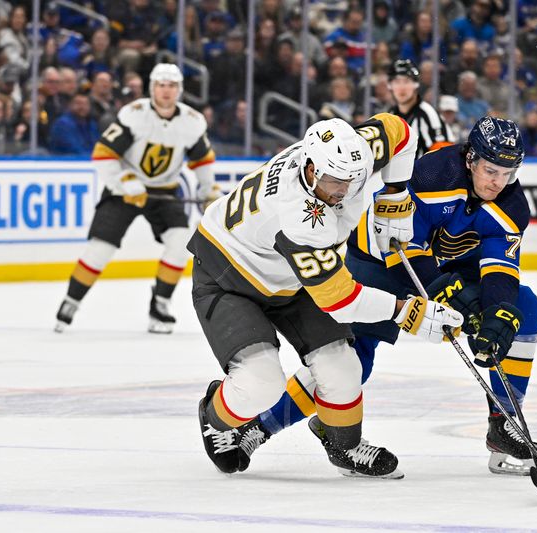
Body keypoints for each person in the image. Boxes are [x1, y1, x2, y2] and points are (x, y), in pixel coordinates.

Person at [250, 116, 537, 477]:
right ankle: (259, 427)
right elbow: (403, 245)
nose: (498, 182)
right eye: (490, 170)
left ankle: (504, 423)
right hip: (381, 258)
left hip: (447, 264)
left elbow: (500, 265)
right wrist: (447, 294)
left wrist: (498, 311)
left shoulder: (512, 204)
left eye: (507, 173)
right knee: (353, 358)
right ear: (470, 158)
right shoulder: (433, 175)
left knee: (522, 309)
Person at [188, 114, 463, 479]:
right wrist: (406, 312)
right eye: (335, 182)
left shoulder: (353, 155)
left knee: (343, 367)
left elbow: (400, 132)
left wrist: (394, 197)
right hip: (228, 275)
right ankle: (213, 415)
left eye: (351, 180)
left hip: (290, 276)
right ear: (311, 168)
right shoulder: (298, 218)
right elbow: (341, 299)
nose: (344, 191)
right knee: (260, 382)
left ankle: (344, 446)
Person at [54, 63, 220, 334]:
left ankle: (161, 304)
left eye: (172, 86)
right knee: (101, 249)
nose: (166, 91)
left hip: (165, 192)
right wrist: (125, 182)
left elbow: (202, 161)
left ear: (179, 90)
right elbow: (103, 154)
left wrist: (208, 191)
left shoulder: (192, 122)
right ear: (152, 87)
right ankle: (71, 301)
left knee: (180, 243)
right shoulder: (134, 115)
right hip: (124, 192)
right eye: (161, 85)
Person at [387, 59, 455, 158]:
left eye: (406, 81)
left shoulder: (428, 114)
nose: (402, 88)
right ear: (390, 86)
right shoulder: (390, 114)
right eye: (397, 82)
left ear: (416, 84)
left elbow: (445, 157)